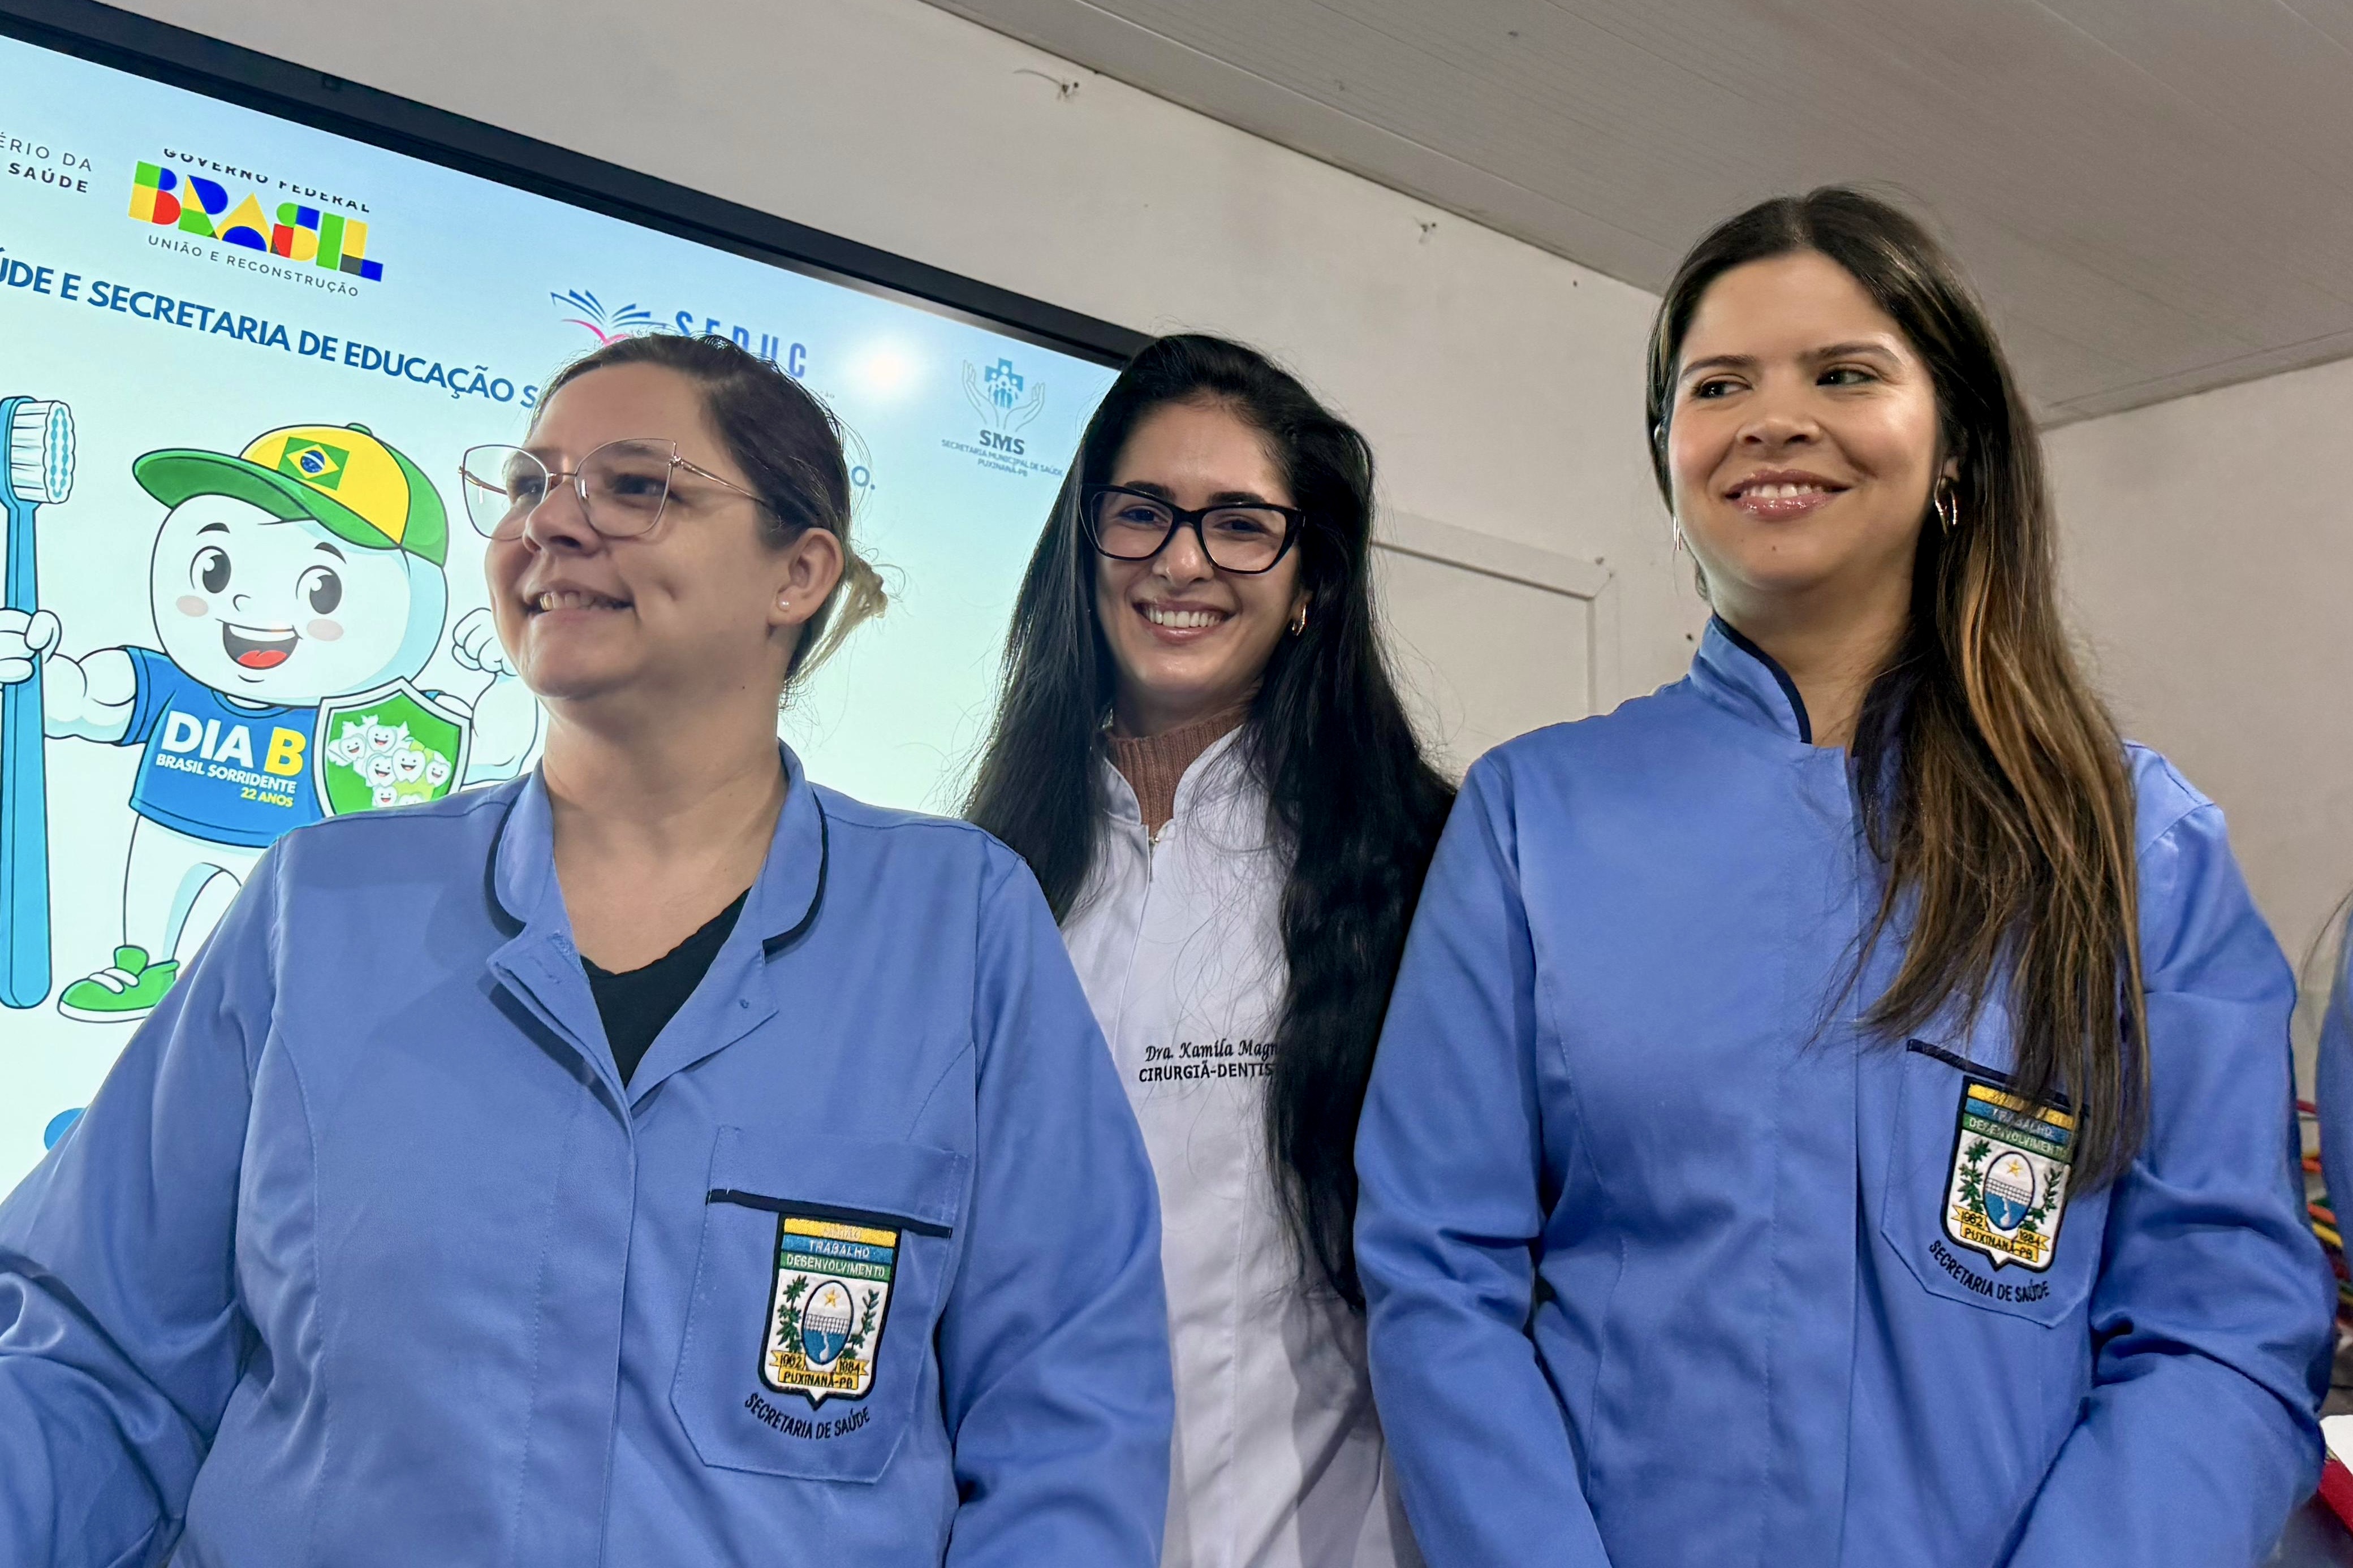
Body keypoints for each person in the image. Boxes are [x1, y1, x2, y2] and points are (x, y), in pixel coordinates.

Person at [0, 333, 1173, 1565]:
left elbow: (1070, 1420)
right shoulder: (324, 903)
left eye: (636, 485)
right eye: (529, 483)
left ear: (798, 571)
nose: (549, 523)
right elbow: (91, 1357)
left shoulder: (957, 928)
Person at [1355, 188, 2334, 1568]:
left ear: (1954, 444)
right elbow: (1438, 1276)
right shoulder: (1537, 819)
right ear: (1668, 457)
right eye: (1717, 385)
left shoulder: (2129, 844)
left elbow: (2219, 1324)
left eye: (1843, 373)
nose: (1772, 418)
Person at [968, 334, 1451, 1567]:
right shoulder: (983, 879)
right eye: (1141, 513)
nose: (1181, 561)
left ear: (1311, 584)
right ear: (1084, 549)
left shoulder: (1425, 868)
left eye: (1241, 525)